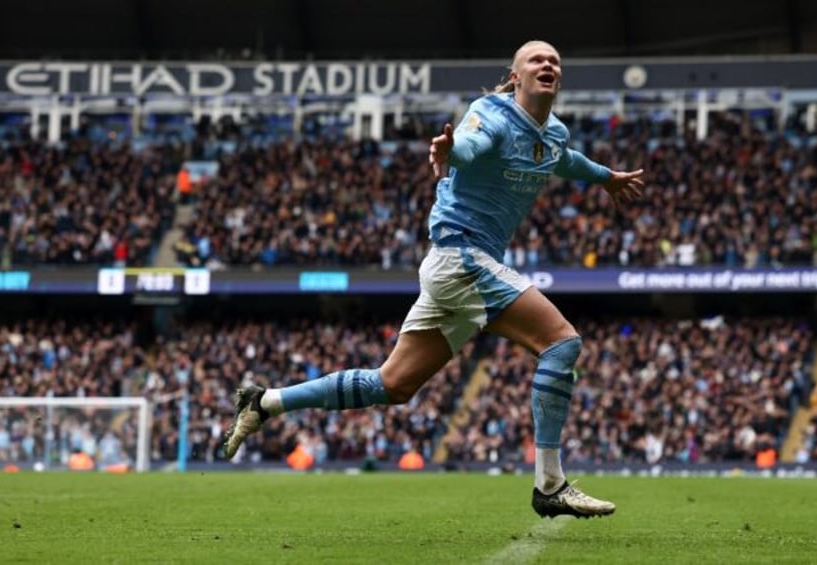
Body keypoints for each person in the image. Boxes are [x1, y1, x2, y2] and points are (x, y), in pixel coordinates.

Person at [223, 40, 644, 519]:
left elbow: (565, 159)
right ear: (515, 76)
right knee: (561, 343)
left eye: (554, 62)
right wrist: (451, 150)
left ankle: (266, 402)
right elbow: (470, 145)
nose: (547, 65)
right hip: (461, 257)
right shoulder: (490, 113)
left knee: (394, 384)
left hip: (457, 267)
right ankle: (550, 483)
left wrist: (606, 176)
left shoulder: (554, 133)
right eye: (537, 60)